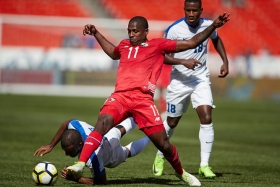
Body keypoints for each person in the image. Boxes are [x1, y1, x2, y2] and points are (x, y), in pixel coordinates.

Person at [66, 13, 230, 186]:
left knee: (164, 145)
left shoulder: (158, 45)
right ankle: (80, 163)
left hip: (143, 101)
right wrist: (96, 33)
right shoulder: (124, 45)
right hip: (120, 96)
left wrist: (213, 26)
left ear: (146, 31)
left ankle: (181, 173)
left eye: (135, 31)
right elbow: (113, 54)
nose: (131, 34)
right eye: (129, 31)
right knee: (103, 122)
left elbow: (191, 43)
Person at [152, 0, 229, 179]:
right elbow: (160, 56)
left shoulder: (209, 25)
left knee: (206, 117)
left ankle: (204, 165)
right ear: (184, 10)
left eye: (195, 10)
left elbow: (216, 40)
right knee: (171, 122)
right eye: (188, 10)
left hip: (200, 79)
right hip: (179, 82)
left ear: (201, 10)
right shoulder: (174, 29)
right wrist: (182, 62)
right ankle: (160, 155)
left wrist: (225, 61)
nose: (191, 13)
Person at [34, 118, 151, 185]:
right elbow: (66, 124)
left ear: (80, 145)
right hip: (107, 136)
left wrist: (76, 178)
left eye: (69, 151)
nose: (66, 154)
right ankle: (140, 115)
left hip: (111, 155)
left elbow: (101, 181)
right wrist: (51, 145)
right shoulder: (77, 126)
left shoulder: (91, 158)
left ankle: (151, 136)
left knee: (127, 151)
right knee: (119, 129)